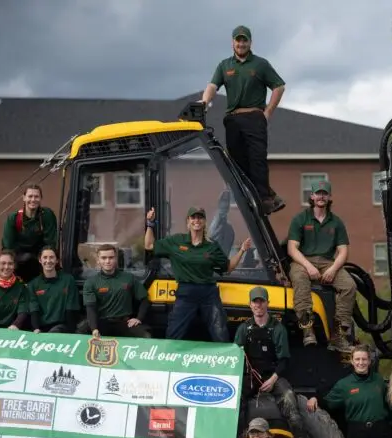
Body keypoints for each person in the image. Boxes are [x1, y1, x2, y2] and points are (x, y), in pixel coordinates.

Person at [200, 25, 286, 215]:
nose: (241, 43)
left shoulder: (260, 64)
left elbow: (279, 86)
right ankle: (258, 195)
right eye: (238, 40)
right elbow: (213, 86)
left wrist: (268, 112)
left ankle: (265, 199)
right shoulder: (225, 65)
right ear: (233, 43)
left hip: (255, 116)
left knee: (257, 159)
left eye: (244, 40)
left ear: (250, 42)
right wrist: (205, 101)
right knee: (237, 161)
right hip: (233, 119)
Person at [234, 286, 318, 438]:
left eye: (261, 301)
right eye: (255, 302)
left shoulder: (278, 328)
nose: (258, 305)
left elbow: (284, 360)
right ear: (250, 305)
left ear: (267, 304)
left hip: (273, 375)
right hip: (250, 376)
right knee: (236, 399)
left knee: (288, 397)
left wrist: (273, 379)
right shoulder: (244, 329)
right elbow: (236, 355)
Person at [144, 206, 251, 342]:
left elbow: (228, 267)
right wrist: (150, 224)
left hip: (208, 293)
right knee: (173, 334)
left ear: (205, 221)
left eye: (200, 217)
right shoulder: (177, 241)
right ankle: (171, 362)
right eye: (193, 217)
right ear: (188, 221)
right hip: (185, 292)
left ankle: (222, 361)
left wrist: (241, 250)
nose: (196, 220)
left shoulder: (212, 246)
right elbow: (149, 245)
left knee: (220, 333)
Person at [287, 180, 356, 352]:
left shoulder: (336, 222)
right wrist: (308, 266)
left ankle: (339, 337)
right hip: (303, 260)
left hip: (327, 262)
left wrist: (333, 269)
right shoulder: (300, 218)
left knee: (349, 286)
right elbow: (292, 249)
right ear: (312, 196)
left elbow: (343, 251)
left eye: (324, 193)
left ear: (329, 197)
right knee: (300, 280)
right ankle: (307, 330)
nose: (321, 196)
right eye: (318, 193)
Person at [0, 184, 57, 311]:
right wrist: (10, 264)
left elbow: (50, 243)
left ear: (40, 198)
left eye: (36, 196)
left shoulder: (47, 216)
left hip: (38, 259)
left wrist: (44, 259)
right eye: (30, 196)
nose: (33, 200)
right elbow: (7, 247)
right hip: (16, 258)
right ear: (23, 198)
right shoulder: (13, 218)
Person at [81, 244, 151, 338]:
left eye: (111, 257)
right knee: (80, 333)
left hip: (124, 323)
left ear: (116, 259)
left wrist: (138, 318)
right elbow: (90, 308)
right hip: (101, 323)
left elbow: (145, 299)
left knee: (145, 336)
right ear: (98, 260)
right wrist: (94, 329)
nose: (107, 261)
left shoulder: (128, 278)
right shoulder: (91, 283)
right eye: (104, 258)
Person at [28, 246, 81, 333]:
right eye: (45, 257)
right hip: (41, 328)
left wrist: (71, 333)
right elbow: (34, 309)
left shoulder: (68, 280)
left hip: (62, 327)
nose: (48, 261)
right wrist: (35, 328)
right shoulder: (33, 284)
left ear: (57, 260)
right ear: (40, 260)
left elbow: (71, 308)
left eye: (51, 257)